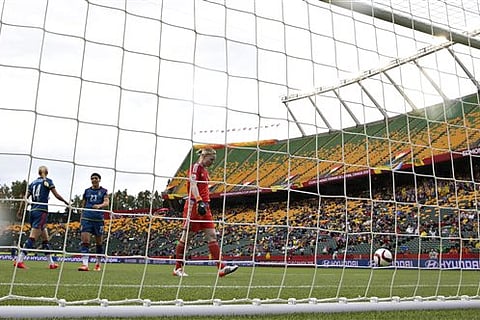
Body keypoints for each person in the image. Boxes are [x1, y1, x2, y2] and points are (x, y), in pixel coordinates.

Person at [173, 148, 238, 277]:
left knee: (212, 235)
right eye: (211, 159)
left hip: (205, 206)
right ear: (204, 156)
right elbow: (193, 185)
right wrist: (198, 201)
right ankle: (177, 268)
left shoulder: (205, 172)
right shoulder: (195, 168)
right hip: (194, 205)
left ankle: (221, 268)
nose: (212, 162)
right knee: (186, 238)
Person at [15, 165, 70, 269]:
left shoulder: (33, 183)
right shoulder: (48, 181)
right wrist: (66, 202)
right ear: (47, 172)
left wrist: (20, 210)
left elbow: (25, 198)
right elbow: (56, 195)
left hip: (33, 211)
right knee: (33, 237)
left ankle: (51, 263)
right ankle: (20, 260)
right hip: (41, 211)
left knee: (45, 239)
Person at [78, 173, 109, 271]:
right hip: (87, 218)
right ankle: (85, 264)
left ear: (99, 180)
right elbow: (83, 205)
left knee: (99, 243)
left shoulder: (103, 191)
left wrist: (99, 206)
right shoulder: (87, 191)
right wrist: (81, 217)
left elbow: (107, 202)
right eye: (92, 178)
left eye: (96, 178)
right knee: (85, 241)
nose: (94, 180)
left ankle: (98, 263)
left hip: (98, 219)